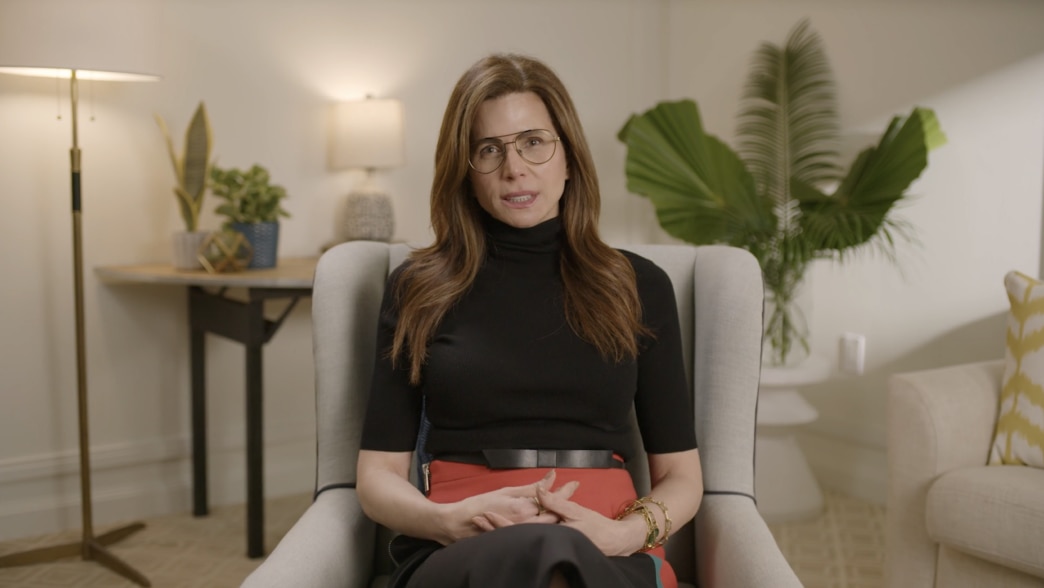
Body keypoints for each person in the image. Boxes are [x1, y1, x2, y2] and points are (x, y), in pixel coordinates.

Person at [356, 53, 703, 588]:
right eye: (488, 150)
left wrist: (624, 535)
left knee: (559, 558)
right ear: (465, 173)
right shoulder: (418, 288)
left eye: (534, 142)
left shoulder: (638, 286)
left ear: (570, 158)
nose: (514, 168)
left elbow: (681, 476)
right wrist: (446, 522)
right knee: (546, 556)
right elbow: (377, 476)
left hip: (608, 543)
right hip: (460, 544)